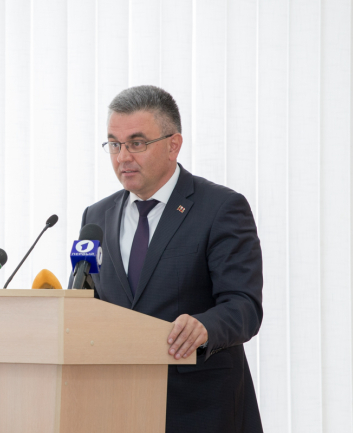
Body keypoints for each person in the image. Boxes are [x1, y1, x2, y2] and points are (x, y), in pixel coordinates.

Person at [75, 85, 263, 432]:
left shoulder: (220, 208)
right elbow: (88, 305)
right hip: (117, 404)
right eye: (114, 144)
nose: (122, 157)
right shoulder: (96, 217)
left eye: (137, 143)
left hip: (200, 407)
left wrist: (205, 326)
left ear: (173, 144)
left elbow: (244, 306)